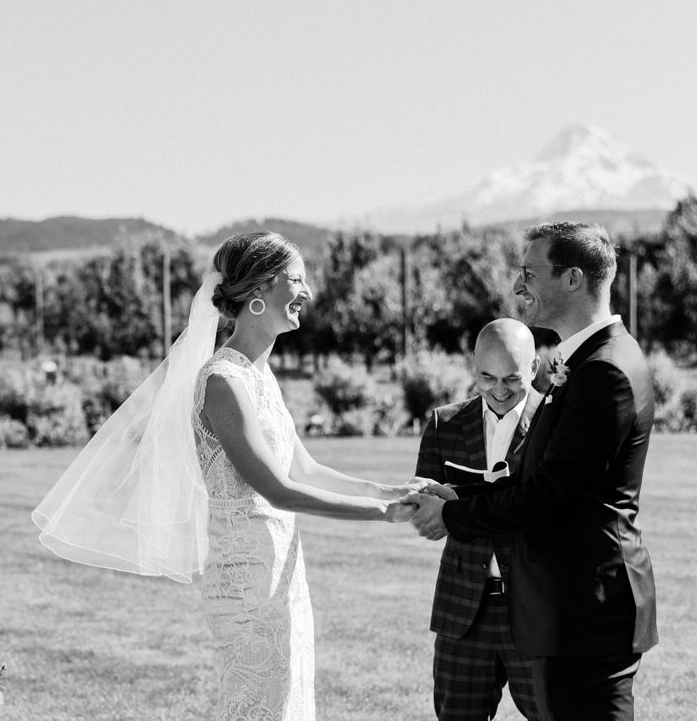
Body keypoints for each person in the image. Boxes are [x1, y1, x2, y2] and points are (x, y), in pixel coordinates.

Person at [34, 232, 419, 721]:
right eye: (296, 280)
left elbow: (305, 468)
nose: (308, 293)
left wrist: (390, 489)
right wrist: (383, 514)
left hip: (281, 575)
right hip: (247, 587)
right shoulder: (223, 382)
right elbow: (277, 489)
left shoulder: (260, 377)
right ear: (259, 290)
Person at [406, 222, 658, 721]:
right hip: (568, 609)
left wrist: (452, 518)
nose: (519, 287)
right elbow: (537, 477)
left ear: (572, 279)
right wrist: (456, 494)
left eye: (529, 273)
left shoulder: (603, 371)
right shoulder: (586, 362)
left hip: (584, 608)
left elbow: (548, 497)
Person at [414, 318, 542, 721]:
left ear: (535, 368)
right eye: (487, 377)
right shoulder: (444, 424)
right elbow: (427, 515)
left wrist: (463, 509)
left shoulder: (556, 423)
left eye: (512, 378)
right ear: (474, 367)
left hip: (538, 606)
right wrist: (425, 506)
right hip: (463, 608)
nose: (499, 390)